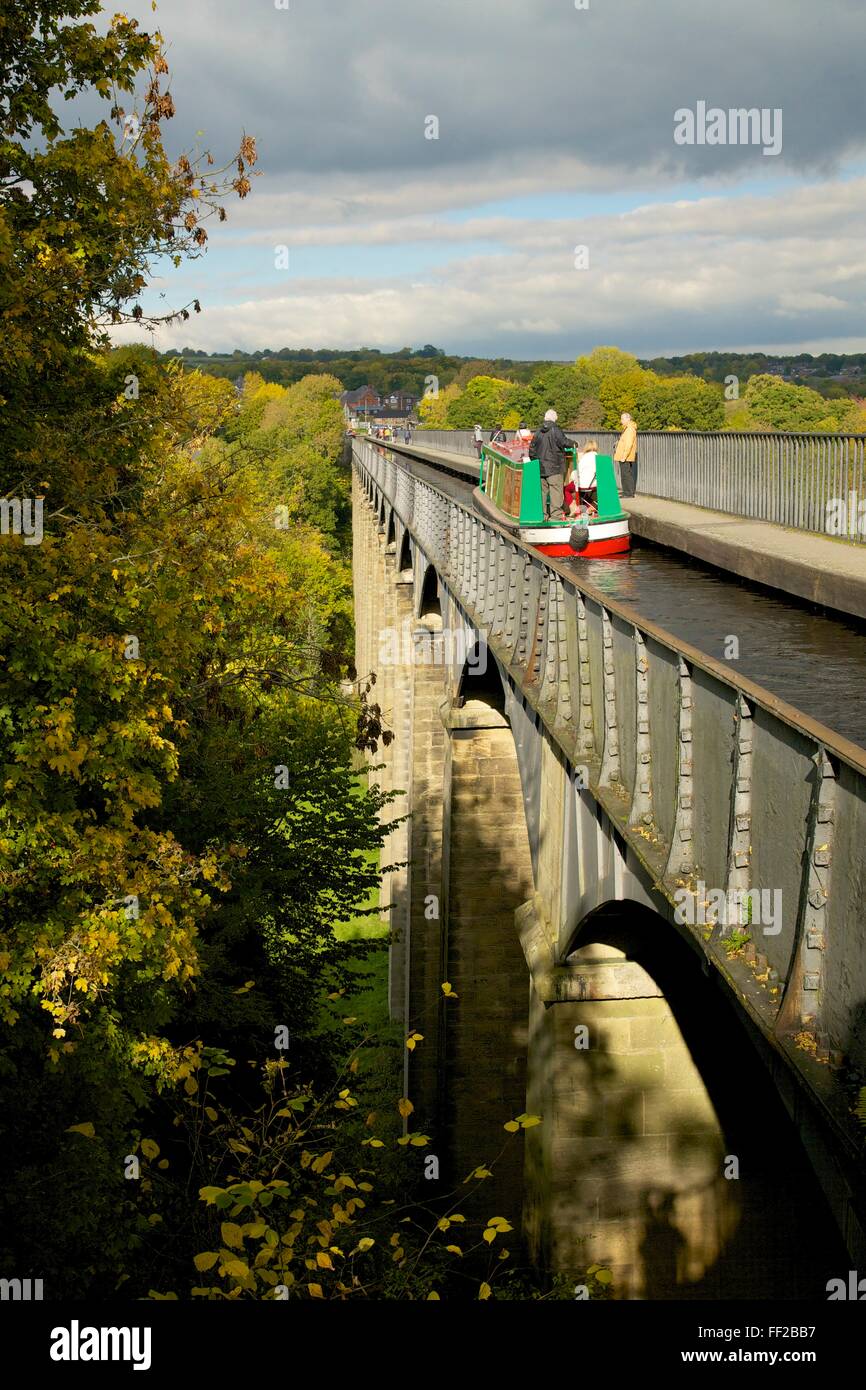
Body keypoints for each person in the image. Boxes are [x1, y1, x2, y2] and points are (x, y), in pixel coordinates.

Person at [529, 409, 571, 519]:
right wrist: (574, 443)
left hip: (541, 468)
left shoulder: (538, 432)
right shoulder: (555, 430)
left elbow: (531, 450)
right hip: (554, 468)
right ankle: (555, 516)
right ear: (554, 419)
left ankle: (542, 515)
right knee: (556, 491)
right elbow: (564, 442)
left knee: (542, 493)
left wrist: (536, 463)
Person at [565, 441, 598, 516]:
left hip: (581, 485)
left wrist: (572, 478)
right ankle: (591, 507)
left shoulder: (583, 458)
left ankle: (573, 506)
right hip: (593, 484)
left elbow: (575, 473)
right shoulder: (598, 457)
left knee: (566, 489)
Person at [614, 412, 638, 497]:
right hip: (624, 455)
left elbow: (629, 444)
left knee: (626, 475)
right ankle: (627, 492)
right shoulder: (627, 429)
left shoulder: (630, 429)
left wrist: (624, 456)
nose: (621, 421)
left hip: (625, 456)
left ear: (628, 419)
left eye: (623, 419)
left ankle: (628, 493)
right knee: (626, 474)